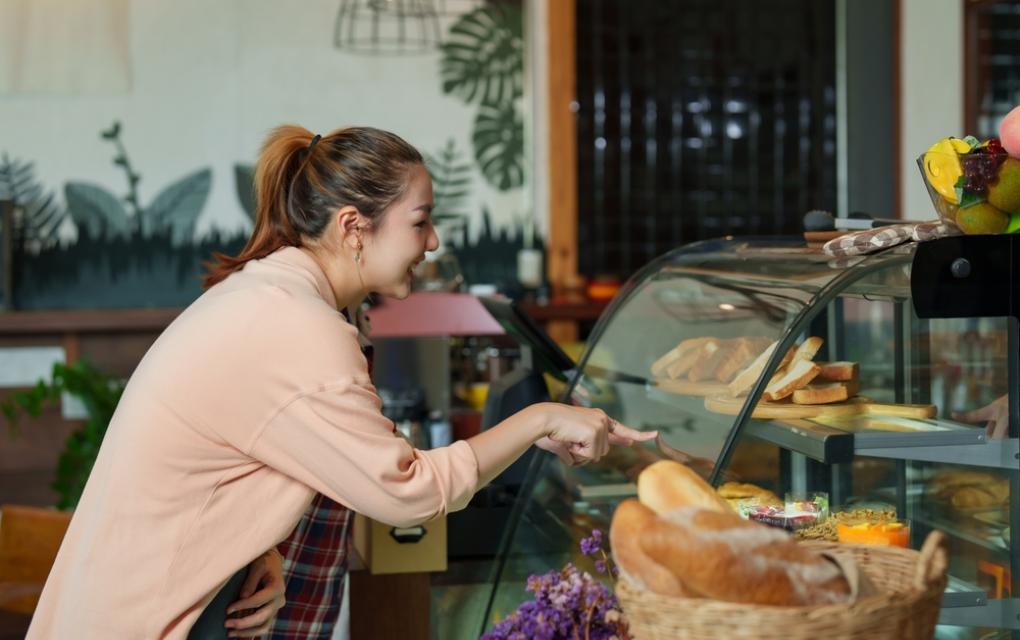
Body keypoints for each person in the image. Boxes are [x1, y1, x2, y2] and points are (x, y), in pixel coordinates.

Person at [26, 125, 653, 639]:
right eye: (419, 222)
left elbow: (228, 456)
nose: (432, 242)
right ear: (354, 228)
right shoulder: (299, 326)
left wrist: (254, 547)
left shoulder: (274, 295)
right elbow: (406, 493)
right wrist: (539, 417)